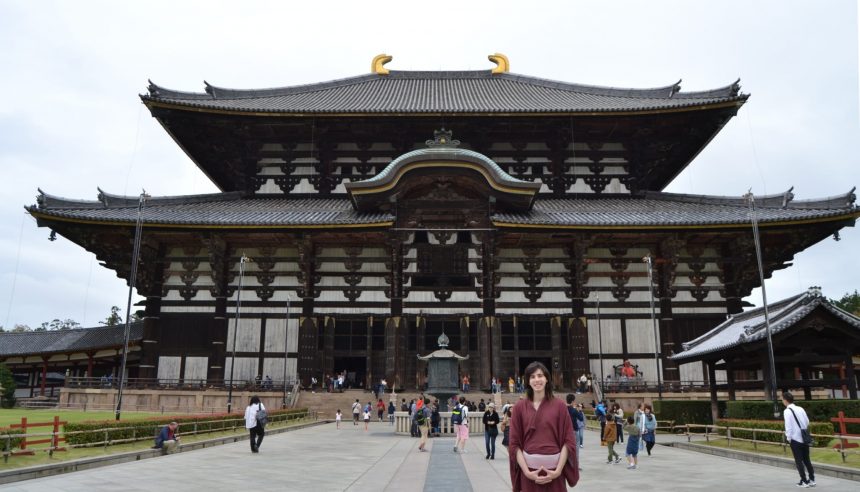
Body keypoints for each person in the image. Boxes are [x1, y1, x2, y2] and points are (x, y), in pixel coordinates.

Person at [508, 362, 579, 491]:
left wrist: (557, 471)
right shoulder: (519, 408)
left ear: (547, 379)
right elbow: (514, 444)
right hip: (528, 473)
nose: (537, 380)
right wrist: (527, 472)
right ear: (528, 381)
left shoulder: (560, 406)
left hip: (555, 473)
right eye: (532, 377)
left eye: (540, 376)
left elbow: (568, 441)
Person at [782, 391, 816, 488]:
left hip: (795, 439)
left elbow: (788, 427)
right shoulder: (800, 408)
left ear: (785, 400)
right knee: (807, 460)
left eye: (782, 399)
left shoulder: (787, 411)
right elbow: (807, 422)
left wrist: (789, 438)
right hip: (804, 438)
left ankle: (804, 481)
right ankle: (812, 479)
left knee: (798, 461)